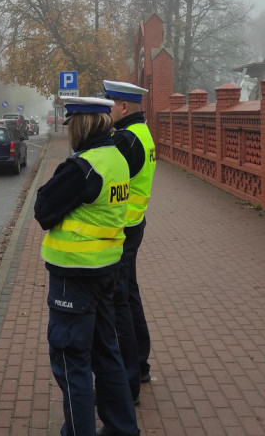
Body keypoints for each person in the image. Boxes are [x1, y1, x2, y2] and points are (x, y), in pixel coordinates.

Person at [34, 96, 139, 436]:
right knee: (106, 353)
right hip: (107, 269)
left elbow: (43, 210)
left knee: (71, 361)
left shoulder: (83, 167)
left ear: (80, 125)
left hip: (73, 276)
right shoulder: (116, 158)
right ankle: (123, 428)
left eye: (70, 126)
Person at [103, 80, 157, 399]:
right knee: (130, 295)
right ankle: (140, 365)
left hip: (122, 229)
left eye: (110, 102)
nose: (107, 107)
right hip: (135, 224)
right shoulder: (142, 132)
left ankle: (127, 380)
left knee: (119, 302)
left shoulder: (125, 139)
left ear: (124, 107)